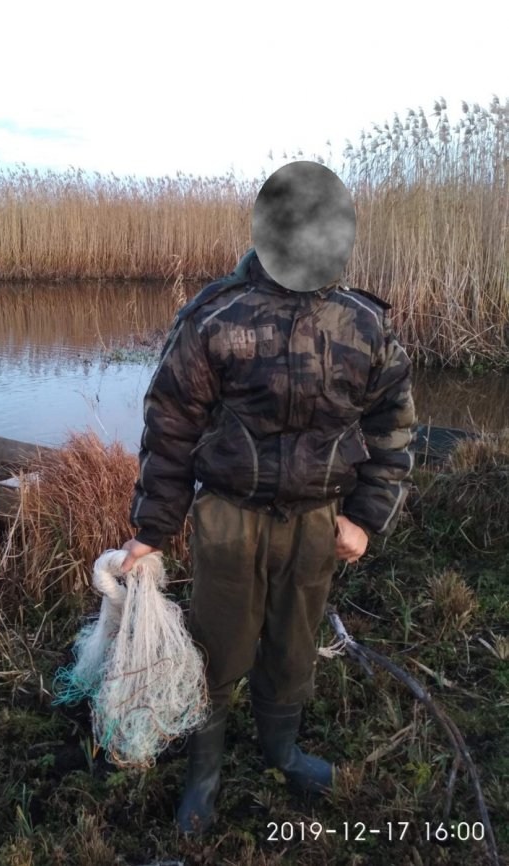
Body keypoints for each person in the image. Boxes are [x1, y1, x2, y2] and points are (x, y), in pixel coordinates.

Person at [120, 162, 416, 833]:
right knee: (217, 647)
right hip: (229, 517)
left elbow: (393, 426)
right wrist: (152, 529)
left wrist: (364, 519)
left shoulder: (365, 325)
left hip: (316, 522)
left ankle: (283, 751)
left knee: (293, 645)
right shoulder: (215, 317)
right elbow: (170, 427)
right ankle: (206, 774)